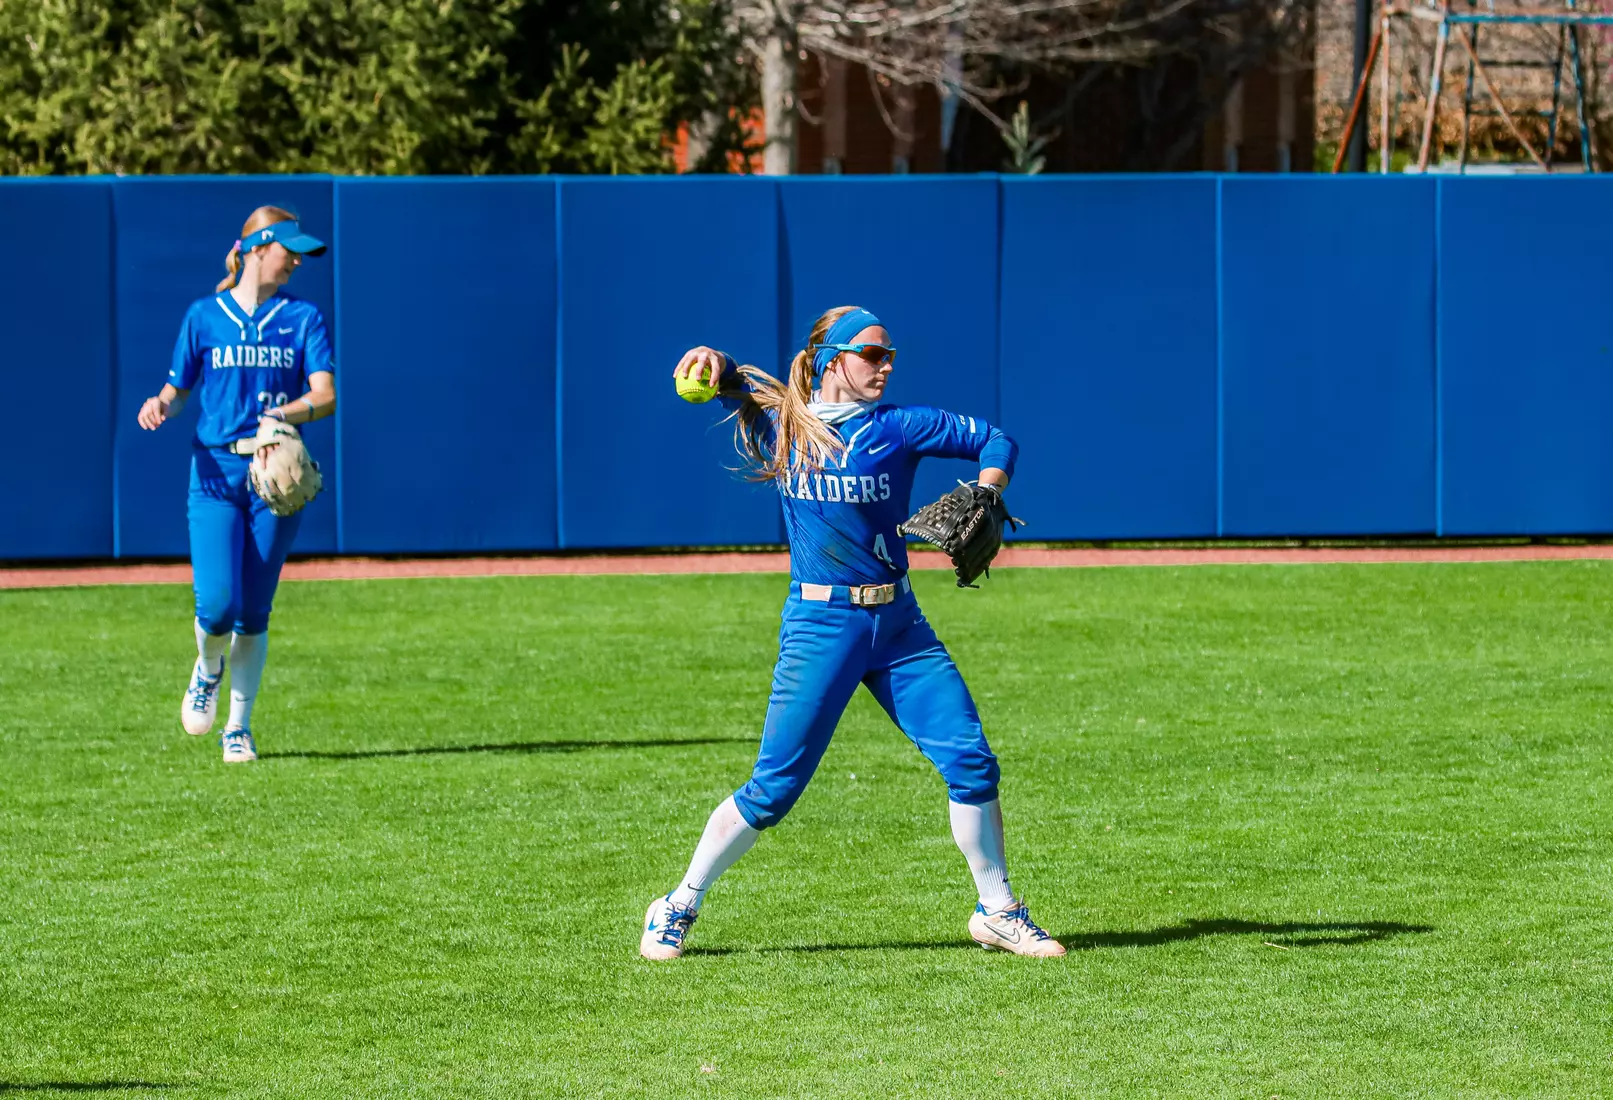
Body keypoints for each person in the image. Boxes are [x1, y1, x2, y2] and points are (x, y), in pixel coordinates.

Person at [640, 305, 1064, 959]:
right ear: (832, 357)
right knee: (774, 788)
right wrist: (709, 359)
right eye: (872, 353)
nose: (885, 364)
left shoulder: (899, 427)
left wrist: (985, 491)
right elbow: (724, 377)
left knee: (970, 760)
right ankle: (677, 904)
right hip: (820, 625)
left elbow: (997, 440)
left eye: (889, 354)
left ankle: (998, 909)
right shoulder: (786, 422)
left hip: (899, 626)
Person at [135, 205, 335, 764]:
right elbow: (177, 391)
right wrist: (159, 404)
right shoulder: (205, 316)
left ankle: (238, 727)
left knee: (254, 611)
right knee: (219, 606)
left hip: (273, 475)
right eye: (287, 248)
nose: (296, 259)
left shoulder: (303, 319)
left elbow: (325, 394)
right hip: (216, 473)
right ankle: (207, 667)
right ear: (257, 247)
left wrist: (285, 414)